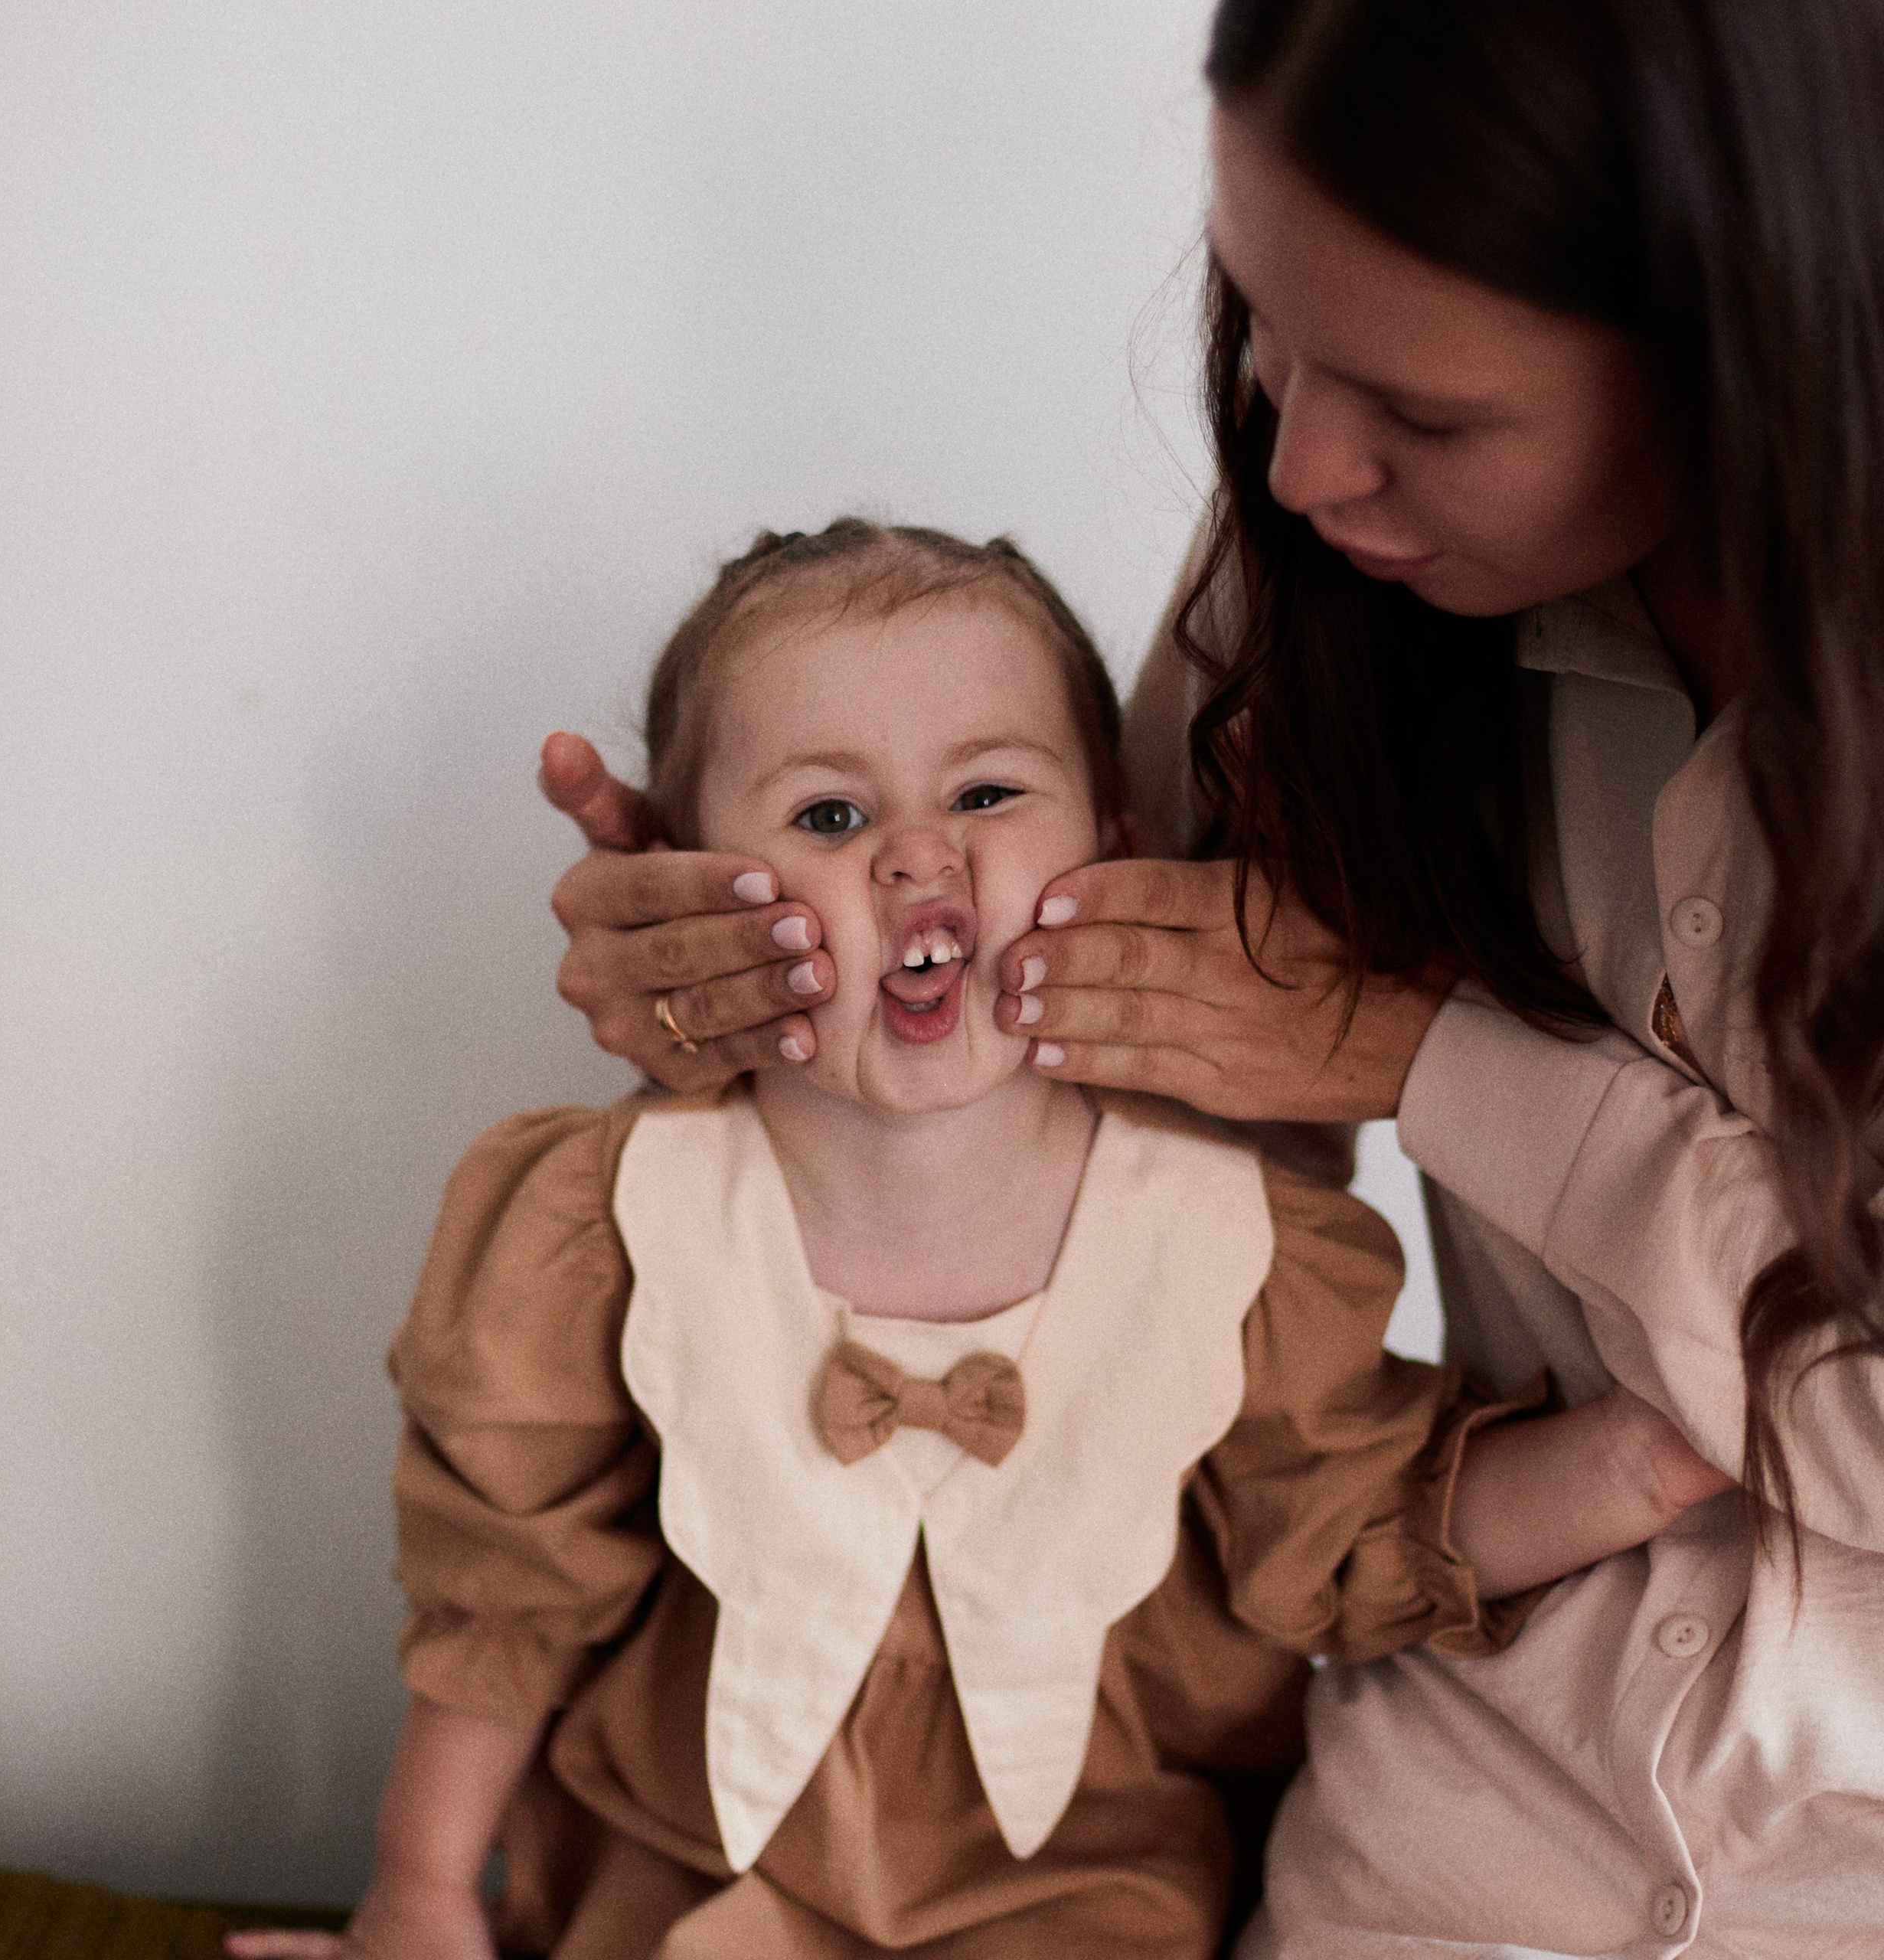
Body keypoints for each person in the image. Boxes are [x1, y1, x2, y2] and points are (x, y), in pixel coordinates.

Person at [536, 5, 1884, 1954]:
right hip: (1445, 1812)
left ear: (1752, 350)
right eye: (1259, 315)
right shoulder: (1333, 576)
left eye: (1424, 413)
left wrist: (1432, 1059)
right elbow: (1113, 1109)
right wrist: (760, 992)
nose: (1299, 456)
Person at [229, 519, 1724, 1960]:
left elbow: (1353, 1524)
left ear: (1115, 853)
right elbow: (506, 1596)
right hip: (695, 1884)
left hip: (1084, 1897)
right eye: (827, 814)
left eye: (989, 792)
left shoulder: (1220, 1235)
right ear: (689, 895)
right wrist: (419, 1891)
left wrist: (1629, 1459)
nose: (913, 853)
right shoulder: (611, 1220)